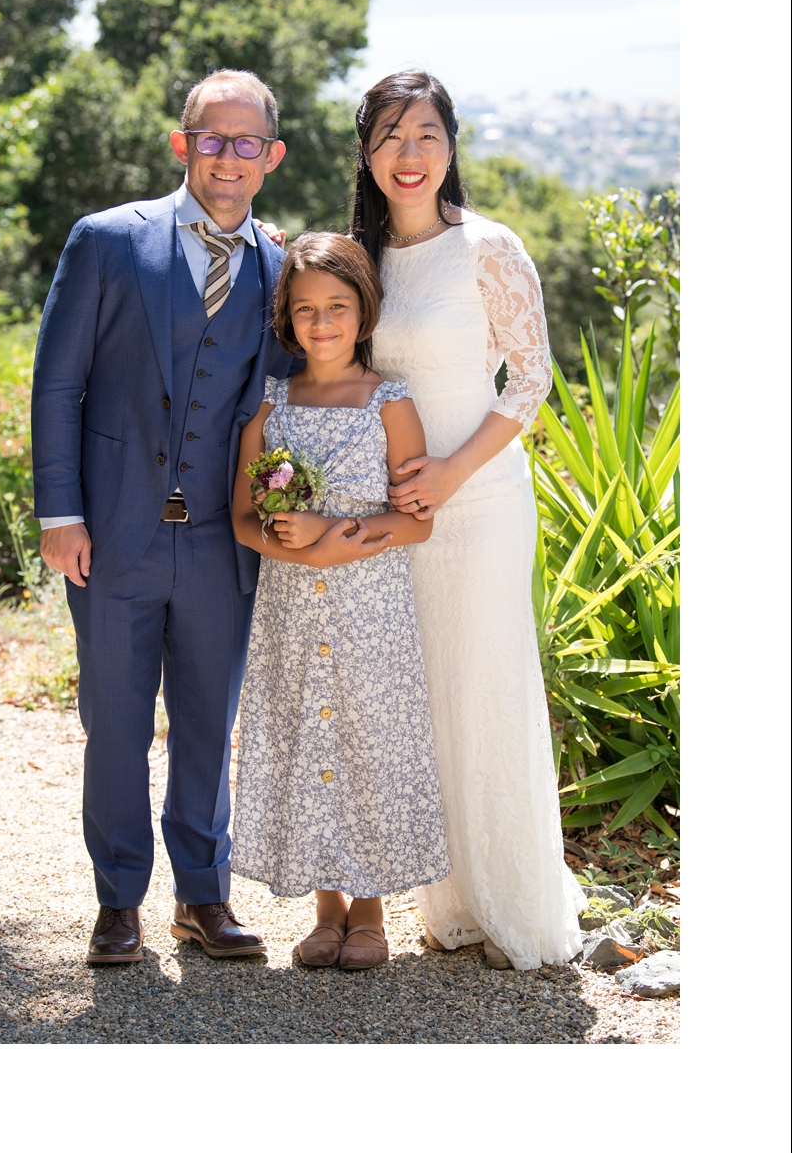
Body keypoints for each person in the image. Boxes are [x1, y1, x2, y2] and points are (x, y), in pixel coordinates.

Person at [31, 69, 296, 963]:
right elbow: (58, 382)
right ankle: (117, 900)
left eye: (246, 141)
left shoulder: (276, 263)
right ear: (184, 146)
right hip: (109, 531)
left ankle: (203, 896)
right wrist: (60, 511)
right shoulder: (107, 240)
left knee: (206, 720)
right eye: (211, 139)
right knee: (114, 719)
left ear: (271, 155)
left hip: (225, 540)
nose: (228, 156)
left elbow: (297, 381)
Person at [353, 72, 585, 970]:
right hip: (396, 509)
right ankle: (452, 899)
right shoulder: (364, 258)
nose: (408, 156)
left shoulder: (488, 246)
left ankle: (517, 903)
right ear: (367, 153)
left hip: (480, 498)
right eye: (389, 137)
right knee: (429, 697)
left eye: (426, 135)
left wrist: (450, 470)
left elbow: (530, 380)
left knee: (488, 683)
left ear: (452, 146)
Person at [228, 232, 451, 971]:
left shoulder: (390, 401)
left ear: (364, 311)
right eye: (304, 310)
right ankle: (326, 911)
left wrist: (333, 535)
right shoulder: (270, 403)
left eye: (337, 307)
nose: (321, 323)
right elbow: (240, 517)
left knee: (365, 745)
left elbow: (417, 518)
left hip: (369, 606)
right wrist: (294, 543)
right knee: (308, 743)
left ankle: (371, 913)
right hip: (291, 608)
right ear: (286, 320)